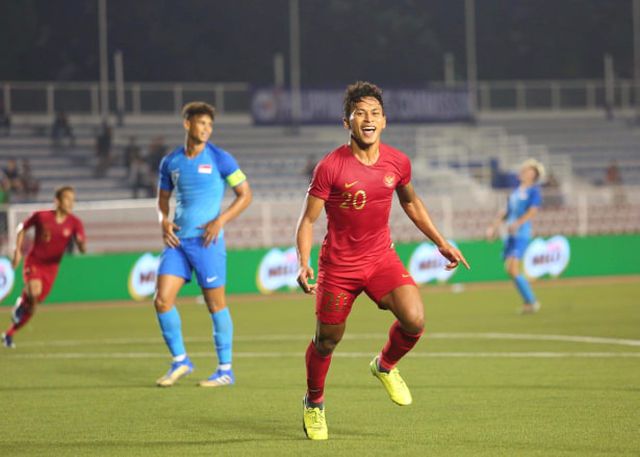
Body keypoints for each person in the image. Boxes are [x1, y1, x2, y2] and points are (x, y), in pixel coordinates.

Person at [295, 81, 469, 440]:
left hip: (380, 259)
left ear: (384, 121)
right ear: (347, 122)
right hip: (339, 268)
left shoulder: (397, 162)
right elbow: (308, 220)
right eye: (360, 113)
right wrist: (303, 261)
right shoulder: (330, 167)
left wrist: (441, 242)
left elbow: (410, 202)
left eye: (375, 113)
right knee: (327, 341)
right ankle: (314, 403)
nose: (368, 119)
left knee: (415, 320)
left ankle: (385, 365)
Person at [153, 101, 252, 388]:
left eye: (210, 125)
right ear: (188, 124)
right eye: (202, 123)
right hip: (177, 242)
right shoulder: (170, 161)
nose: (207, 129)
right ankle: (180, 361)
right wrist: (163, 220)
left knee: (215, 304)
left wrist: (220, 221)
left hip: (207, 242)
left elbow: (245, 194)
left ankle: (225, 370)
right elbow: (162, 199)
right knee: (162, 300)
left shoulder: (221, 159)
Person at [1, 186, 86, 349]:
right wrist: (17, 251)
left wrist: (81, 244)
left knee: (33, 306)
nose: (71, 203)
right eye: (67, 199)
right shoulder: (41, 216)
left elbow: (83, 249)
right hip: (34, 262)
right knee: (34, 291)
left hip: (52, 268)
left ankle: (9, 333)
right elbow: (22, 228)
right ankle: (23, 302)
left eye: (73, 199)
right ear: (57, 201)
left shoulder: (75, 223)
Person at [486, 159, 544, 314]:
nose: (524, 172)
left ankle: (531, 301)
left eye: (528, 171)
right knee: (510, 269)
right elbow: (505, 212)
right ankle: (529, 302)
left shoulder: (533, 191)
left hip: (521, 234)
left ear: (533, 176)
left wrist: (518, 223)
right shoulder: (516, 192)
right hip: (510, 235)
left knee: (513, 268)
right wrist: (493, 227)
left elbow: (533, 211)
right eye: (524, 170)